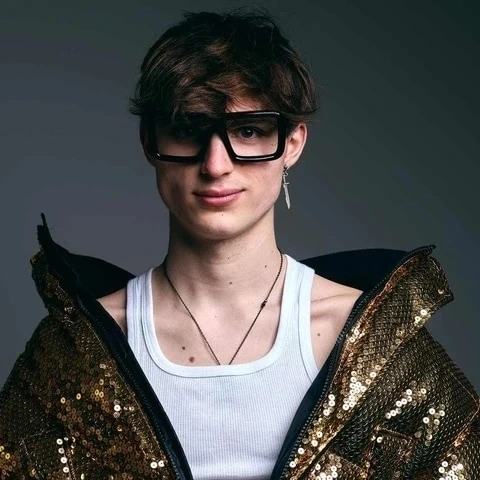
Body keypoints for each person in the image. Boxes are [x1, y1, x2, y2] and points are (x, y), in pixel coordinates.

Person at [0, 9, 478, 480]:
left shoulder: (378, 345)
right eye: (188, 130)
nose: (216, 165)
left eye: (248, 131)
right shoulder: (78, 350)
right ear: (149, 142)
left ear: (293, 143)